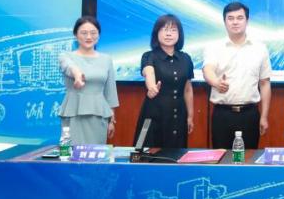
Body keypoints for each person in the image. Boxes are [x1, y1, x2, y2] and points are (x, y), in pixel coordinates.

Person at [203, 1, 272, 150]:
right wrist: (216, 82)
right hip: (222, 114)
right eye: (231, 18)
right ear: (224, 21)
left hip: (250, 114)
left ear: (247, 20)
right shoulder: (214, 47)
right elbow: (207, 69)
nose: (235, 22)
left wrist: (264, 116)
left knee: (248, 159)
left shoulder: (260, 48)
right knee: (222, 158)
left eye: (240, 18)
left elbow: (265, 83)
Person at [134, 14, 194, 149]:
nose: (168, 34)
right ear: (156, 33)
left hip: (179, 116)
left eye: (173, 30)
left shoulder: (186, 58)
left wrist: (190, 116)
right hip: (154, 115)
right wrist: (151, 87)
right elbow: (148, 72)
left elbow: (187, 89)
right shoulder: (149, 56)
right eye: (164, 29)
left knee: (176, 154)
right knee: (147, 153)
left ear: (179, 34)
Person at [58, 16, 119, 144]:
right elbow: (69, 67)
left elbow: (110, 92)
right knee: (69, 152)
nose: (89, 37)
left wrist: (111, 120)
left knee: (96, 153)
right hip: (72, 114)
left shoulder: (106, 59)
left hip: (99, 115)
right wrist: (77, 74)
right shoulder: (65, 56)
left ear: (99, 35)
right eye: (84, 33)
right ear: (75, 35)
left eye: (93, 33)